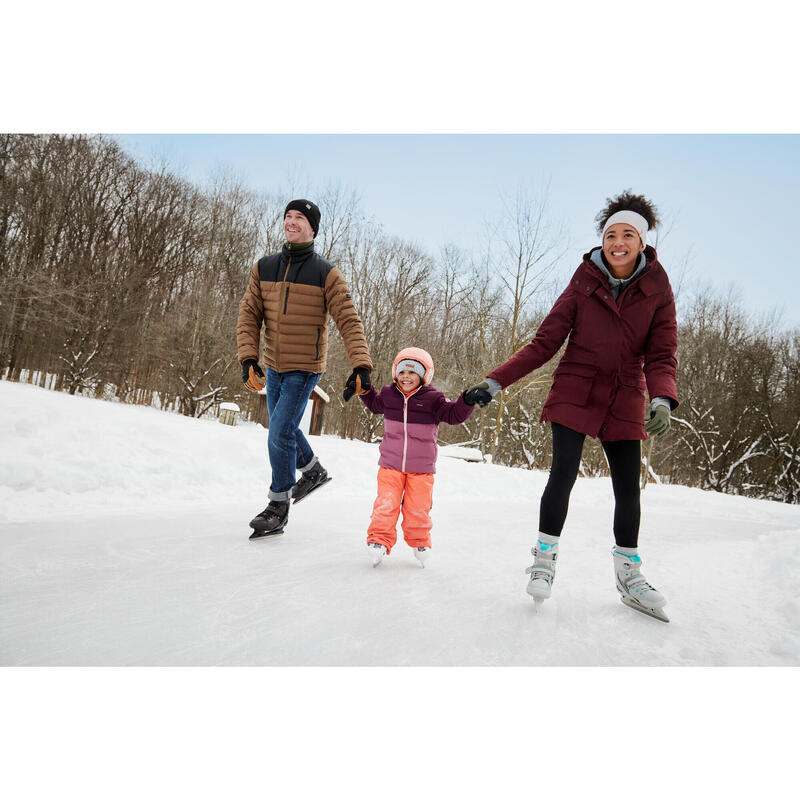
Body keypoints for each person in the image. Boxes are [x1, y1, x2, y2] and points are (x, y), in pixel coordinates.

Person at [465, 192, 678, 620]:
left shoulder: (658, 287)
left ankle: (629, 574)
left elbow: (662, 352)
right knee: (562, 473)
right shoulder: (584, 279)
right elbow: (545, 342)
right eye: (610, 234)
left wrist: (661, 398)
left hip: (624, 393)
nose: (618, 242)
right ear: (602, 240)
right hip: (575, 388)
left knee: (627, 488)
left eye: (627, 234)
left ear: (642, 241)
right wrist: (494, 380)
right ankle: (543, 561)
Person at [237, 199, 373, 539]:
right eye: (288, 216)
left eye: (300, 218)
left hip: (306, 368)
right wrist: (248, 358)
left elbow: (348, 320)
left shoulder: (326, 273)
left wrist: (361, 365)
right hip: (274, 365)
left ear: (312, 229)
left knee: (278, 432)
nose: (291, 221)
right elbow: (248, 315)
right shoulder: (263, 267)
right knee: (283, 430)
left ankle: (277, 505)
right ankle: (312, 470)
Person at [359, 347, 476, 567]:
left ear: (424, 376)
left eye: (413, 373)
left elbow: (454, 415)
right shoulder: (388, 395)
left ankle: (419, 540)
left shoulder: (433, 399)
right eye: (402, 372)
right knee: (386, 504)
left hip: (421, 469)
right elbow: (375, 405)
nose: (406, 377)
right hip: (390, 464)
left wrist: (466, 401)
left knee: (417, 508)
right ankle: (378, 540)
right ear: (396, 374)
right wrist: (364, 390)